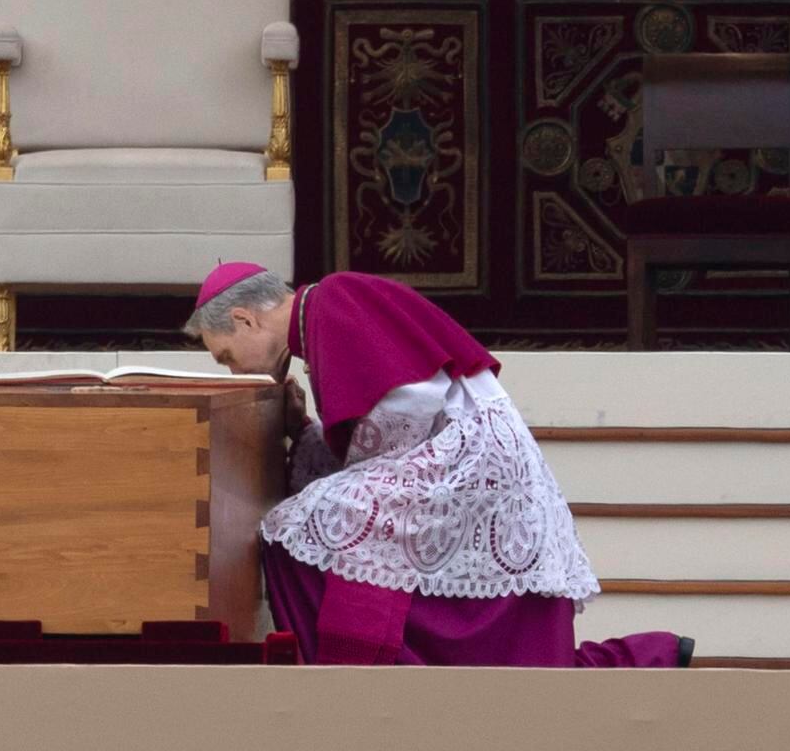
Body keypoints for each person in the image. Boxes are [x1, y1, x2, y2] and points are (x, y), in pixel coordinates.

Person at [186, 263, 688, 668]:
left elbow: (411, 401)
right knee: (322, 523)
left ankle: (353, 667)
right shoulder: (319, 313)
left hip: (467, 460)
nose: (235, 370)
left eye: (227, 356)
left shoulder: (332, 300)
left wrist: (346, 474)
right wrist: (308, 432)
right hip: (463, 457)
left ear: (245, 320)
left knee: (289, 527)